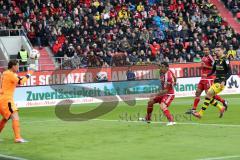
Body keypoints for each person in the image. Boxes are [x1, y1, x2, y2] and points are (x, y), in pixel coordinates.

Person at [192, 45, 231, 119]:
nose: (217, 52)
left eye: (218, 50)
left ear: (223, 50)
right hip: (215, 82)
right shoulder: (217, 60)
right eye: (216, 50)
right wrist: (207, 75)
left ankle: (200, 113)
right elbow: (213, 71)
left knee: (208, 94)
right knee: (208, 97)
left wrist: (224, 80)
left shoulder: (226, 60)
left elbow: (230, 72)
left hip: (221, 83)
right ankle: (221, 107)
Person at [0, 60, 34, 143]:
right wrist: (30, 73)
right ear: (13, 66)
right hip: (6, 99)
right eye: (17, 66)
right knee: (15, 116)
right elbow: (21, 82)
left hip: (3, 98)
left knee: (5, 119)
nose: (18, 67)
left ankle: (18, 137)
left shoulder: (5, 73)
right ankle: (18, 138)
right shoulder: (10, 74)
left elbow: (17, 79)